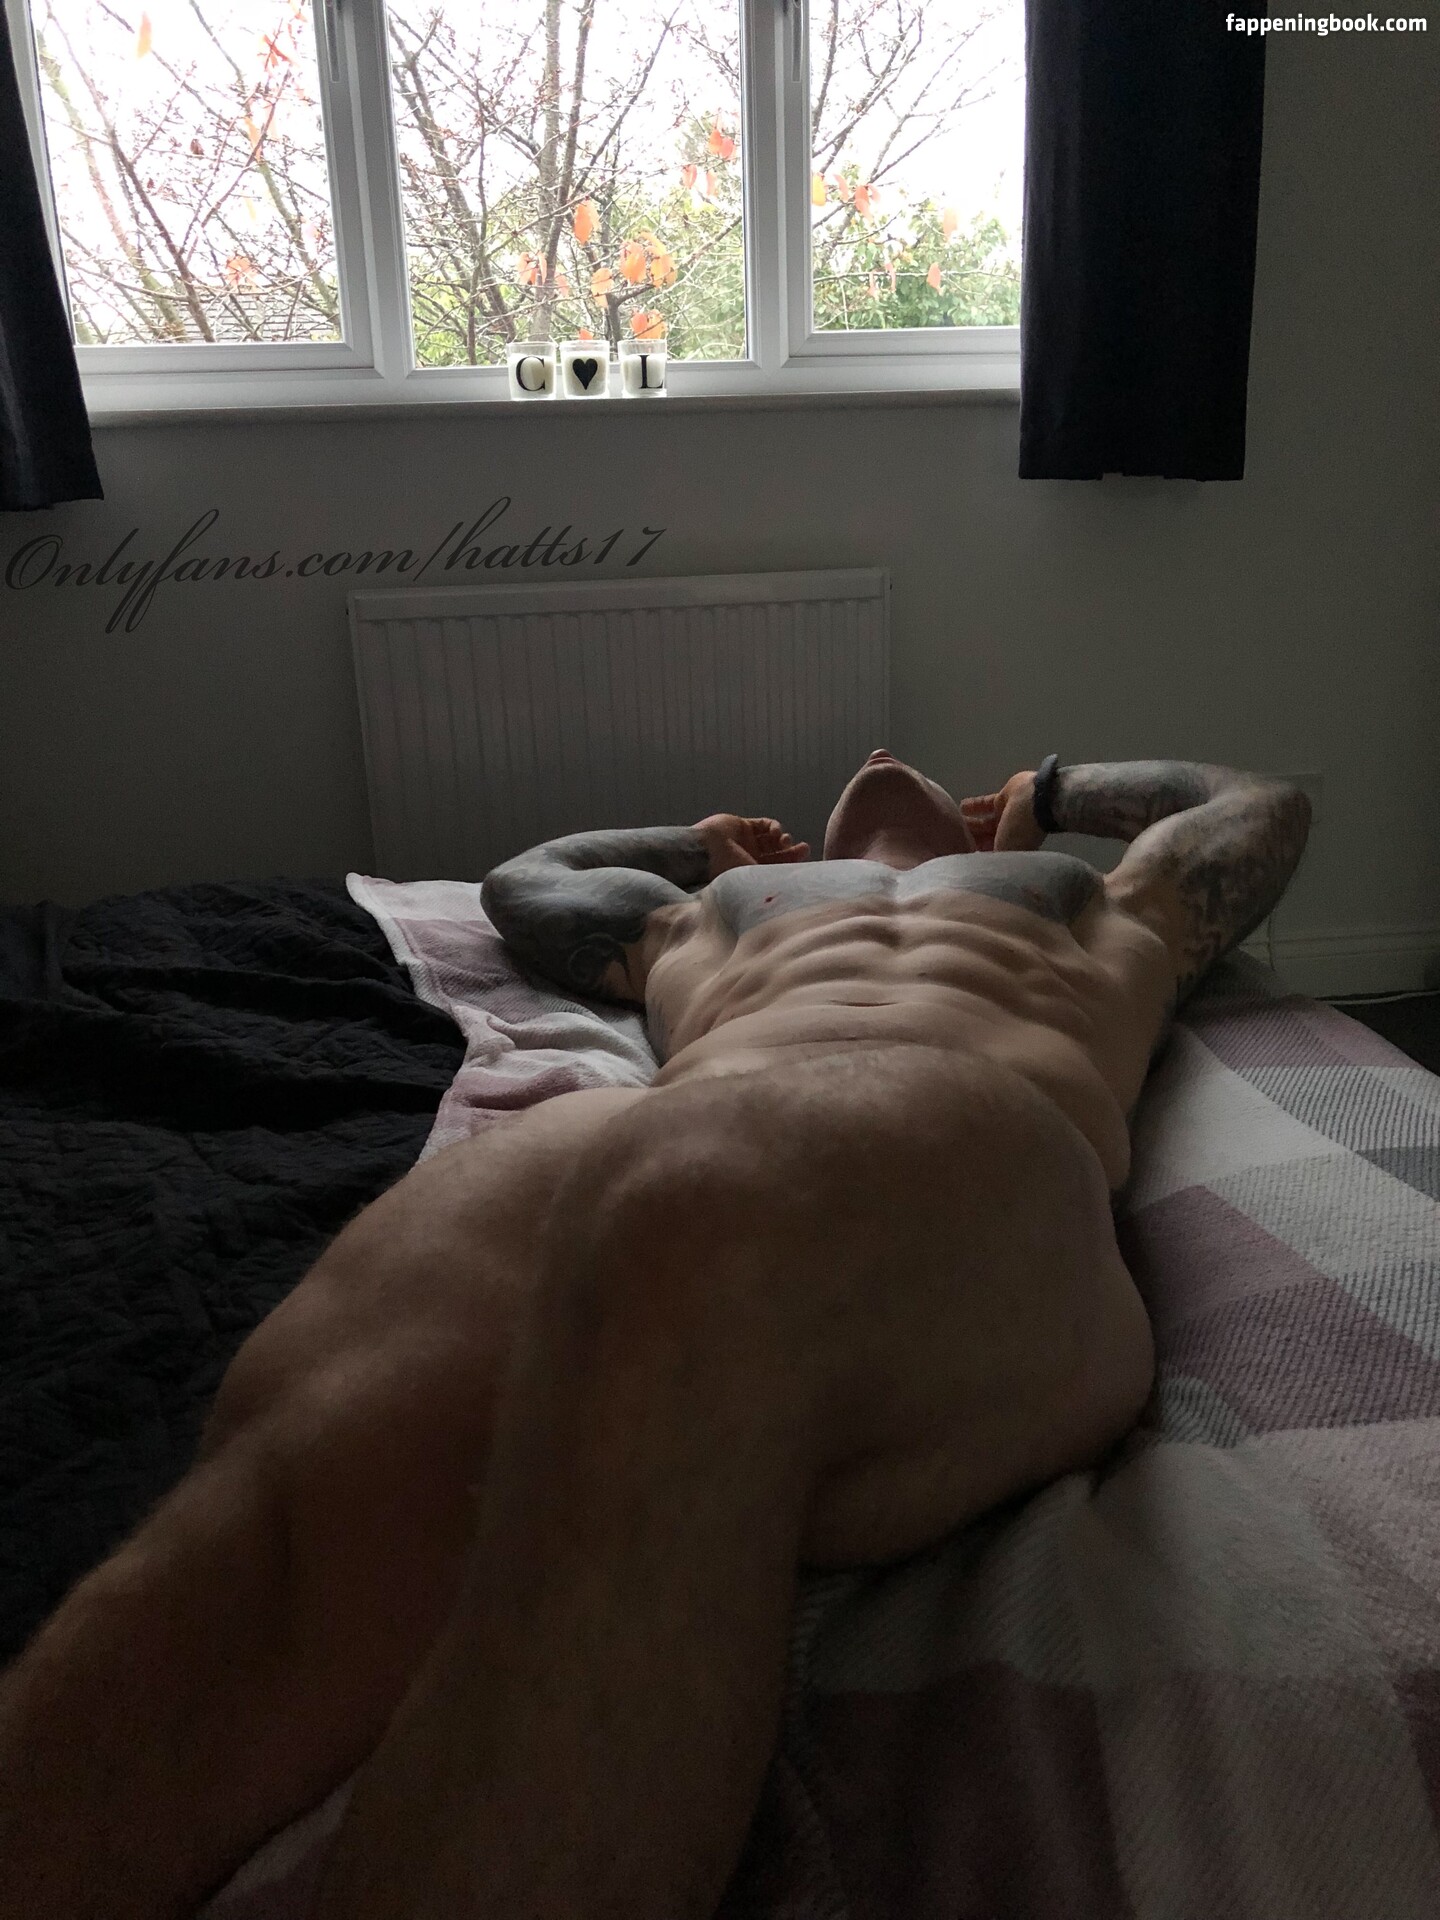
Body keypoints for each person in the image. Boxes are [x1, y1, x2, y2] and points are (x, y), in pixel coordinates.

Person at [0, 753, 1310, 1920]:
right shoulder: (710, 912)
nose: (879, 757)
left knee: (700, 1210)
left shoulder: (1099, 906)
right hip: (663, 1129)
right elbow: (526, 887)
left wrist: (1053, 791)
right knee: (324, 1460)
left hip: (971, 1133)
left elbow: (1256, 808)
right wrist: (699, 847)